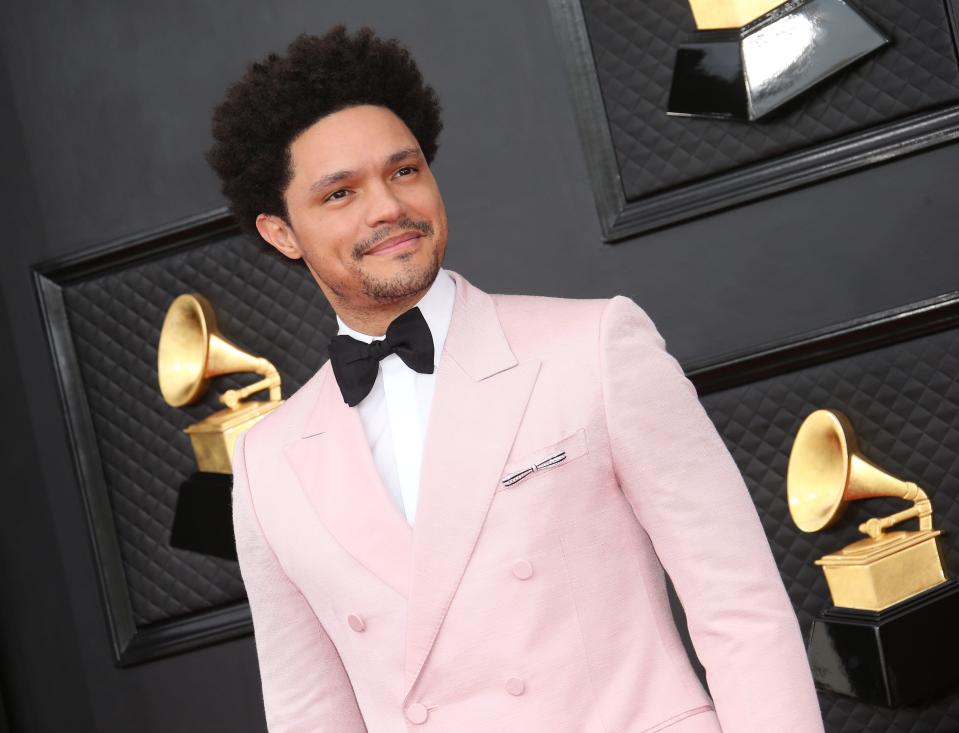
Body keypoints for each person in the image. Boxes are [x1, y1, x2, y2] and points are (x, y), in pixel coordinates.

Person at [207, 26, 825, 733]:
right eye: (340, 193)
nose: (387, 208)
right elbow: (307, 711)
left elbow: (738, 608)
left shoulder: (592, 346)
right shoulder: (267, 462)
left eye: (403, 171)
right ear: (282, 232)